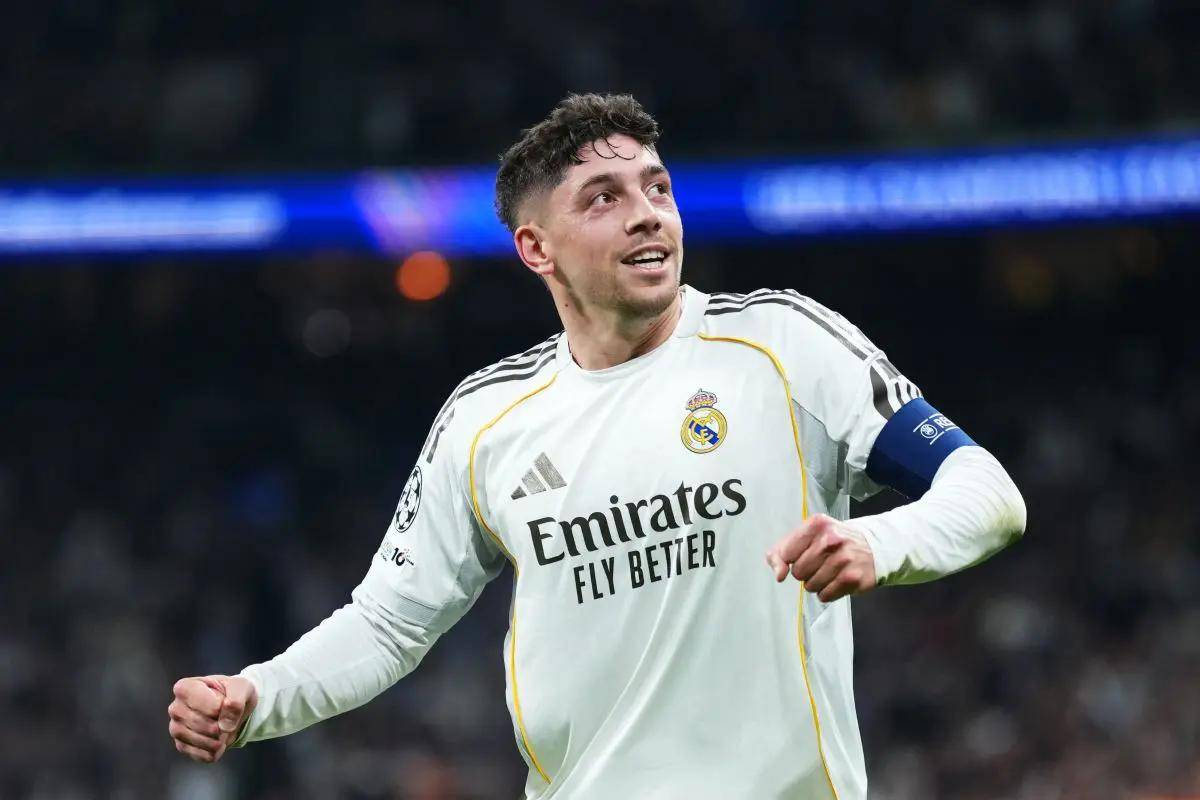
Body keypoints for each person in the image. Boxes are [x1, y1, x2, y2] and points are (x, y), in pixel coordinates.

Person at [168, 93, 1026, 799]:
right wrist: (258, 694)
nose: (647, 215)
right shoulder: (486, 421)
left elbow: (988, 492)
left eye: (657, 187)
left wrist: (881, 542)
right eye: (603, 198)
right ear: (535, 248)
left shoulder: (784, 344)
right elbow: (390, 624)